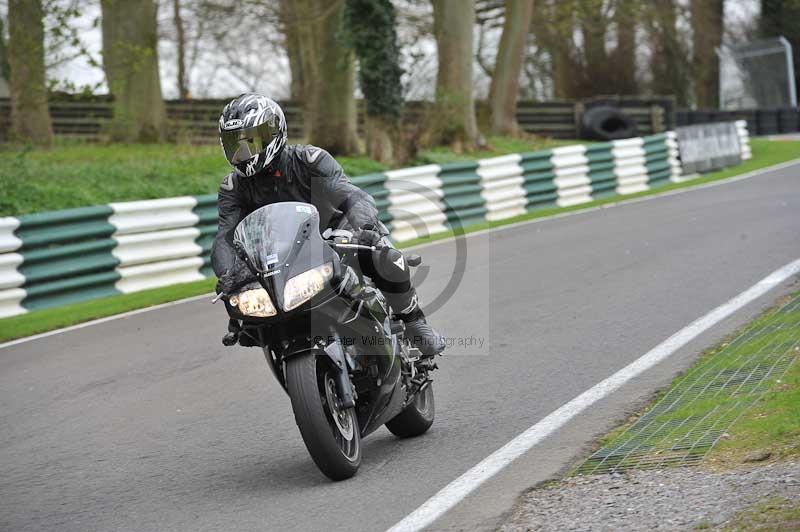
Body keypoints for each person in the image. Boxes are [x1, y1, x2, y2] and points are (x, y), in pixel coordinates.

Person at [211, 93, 445, 357]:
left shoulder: (309, 161)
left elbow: (350, 196)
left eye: (250, 142)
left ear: (273, 133)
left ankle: (415, 323)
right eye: (235, 145)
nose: (243, 153)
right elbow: (225, 236)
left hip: (335, 236)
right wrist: (227, 273)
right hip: (281, 258)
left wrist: (365, 229)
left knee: (384, 256)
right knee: (245, 309)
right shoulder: (233, 187)